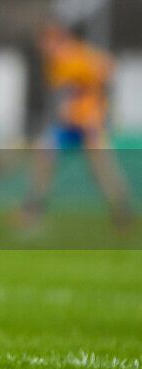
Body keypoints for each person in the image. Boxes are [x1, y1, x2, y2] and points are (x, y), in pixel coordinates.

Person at [19, 19, 134, 233]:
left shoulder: (78, 55)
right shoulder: (53, 63)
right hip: (71, 123)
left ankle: (122, 209)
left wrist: (95, 109)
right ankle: (32, 210)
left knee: (101, 167)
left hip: (90, 122)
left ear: (56, 40)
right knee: (44, 151)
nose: (43, 49)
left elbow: (107, 67)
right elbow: (65, 94)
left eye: (45, 43)